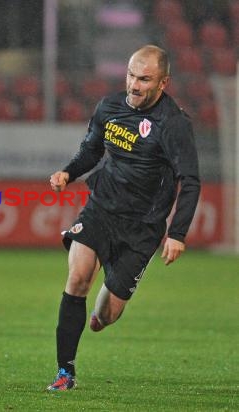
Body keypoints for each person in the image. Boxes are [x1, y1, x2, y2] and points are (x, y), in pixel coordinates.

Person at [46, 45, 200, 391]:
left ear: (163, 83)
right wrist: (69, 173)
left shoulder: (173, 124)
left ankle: (102, 311)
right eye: (131, 75)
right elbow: (91, 149)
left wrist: (177, 233)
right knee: (78, 278)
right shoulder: (110, 106)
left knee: (107, 314)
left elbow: (189, 180)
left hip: (142, 227)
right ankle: (64, 372)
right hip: (101, 208)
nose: (134, 85)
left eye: (144, 79)